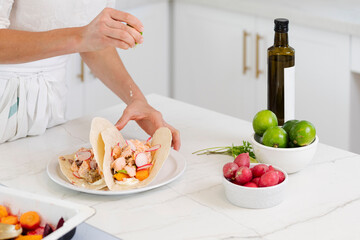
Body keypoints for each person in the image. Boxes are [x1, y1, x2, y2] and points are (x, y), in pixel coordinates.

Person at [0, 0, 180, 150]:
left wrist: (137, 100)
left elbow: (93, 41)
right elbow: (83, 37)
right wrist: (79, 37)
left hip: (49, 108)